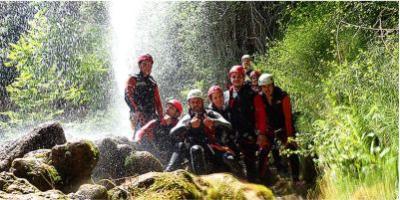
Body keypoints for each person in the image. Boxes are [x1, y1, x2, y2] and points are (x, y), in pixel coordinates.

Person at [165, 89, 240, 175]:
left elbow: (228, 125)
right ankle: (169, 171)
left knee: (230, 158)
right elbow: (172, 132)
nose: (196, 104)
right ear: (189, 104)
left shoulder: (210, 114)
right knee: (187, 147)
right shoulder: (187, 118)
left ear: (202, 102)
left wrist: (213, 122)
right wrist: (189, 125)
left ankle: (243, 180)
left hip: (212, 149)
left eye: (198, 101)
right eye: (193, 102)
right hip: (193, 152)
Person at [254, 73, 301, 183]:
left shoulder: (283, 96)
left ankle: (296, 179)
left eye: (269, 86)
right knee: (263, 150)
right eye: (264, 87)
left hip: (284, 126)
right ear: (261, 88)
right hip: (270, 128)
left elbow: (288, 118)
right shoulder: (259, 98)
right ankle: (260, 180)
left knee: (292, 148)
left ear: (273, 85)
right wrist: (262, 134)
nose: (267, 89)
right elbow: (260, 117)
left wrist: (289, 136)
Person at [225, 65, 262, 182]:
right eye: (234, 77)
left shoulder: (252, 93)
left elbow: (260, 115)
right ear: (230, 78)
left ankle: (255, 185)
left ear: (243, 77)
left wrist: (260, 133)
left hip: (249, 132)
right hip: (233, 133)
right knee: (234, 161)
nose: (236, 79)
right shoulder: (227, 94)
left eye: (239, 76)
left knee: (250, 160)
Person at [125, 54, 163, 138]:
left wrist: (161, 116)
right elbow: (128, 96)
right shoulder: (133, 79)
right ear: (140, 66)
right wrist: (136, 110)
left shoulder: (152, 82)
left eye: (150, 64)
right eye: (144, 64)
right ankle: (135, 143)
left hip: (150, 112)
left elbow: (157, 100)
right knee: (139, 128)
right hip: (136, 112)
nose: (147, 67)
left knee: (155, 132)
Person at [136, 99, 183, 164]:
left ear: (177, 113)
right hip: (157, 151)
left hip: (172, 153)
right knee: (143, 140)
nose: (167, 109)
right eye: (167, 107)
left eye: (171, 108)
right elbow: (141, 131)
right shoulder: (157, 121)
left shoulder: (179, 124)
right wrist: (138, 139)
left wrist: (168, 126)